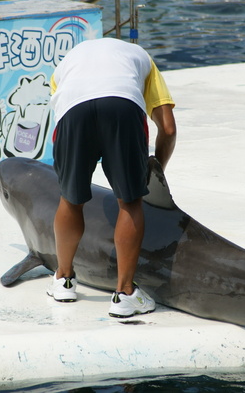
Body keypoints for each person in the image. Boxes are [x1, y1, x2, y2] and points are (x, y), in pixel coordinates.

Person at [46, 37, 177, 318]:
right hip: (122, 106)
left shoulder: (68, 61)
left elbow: (60, 114)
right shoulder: (141, 56)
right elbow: (167, 127)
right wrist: (154, 172)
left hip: (73, 109)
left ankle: (64, 279)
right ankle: (125, 294)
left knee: (69, 199)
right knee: (129, 202)